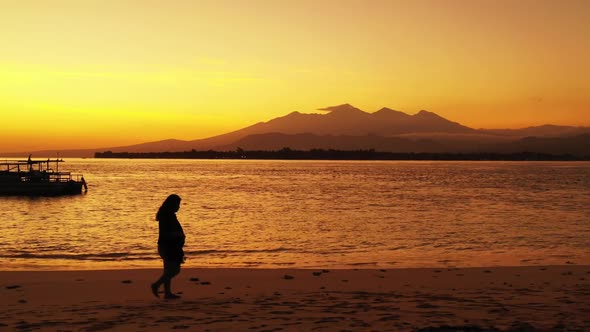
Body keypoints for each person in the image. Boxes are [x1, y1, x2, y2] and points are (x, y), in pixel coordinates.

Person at [151, 194, 185, 299]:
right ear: (172, 204)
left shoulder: (167, 215)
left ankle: (167, 293)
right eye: (177, 204)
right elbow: (167, 233)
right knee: (175, 270)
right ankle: (156, 285)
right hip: (169, 247)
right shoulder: (167, 216)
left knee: (168, 270)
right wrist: (178, 235)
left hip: (167, 246)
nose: (179, 207)